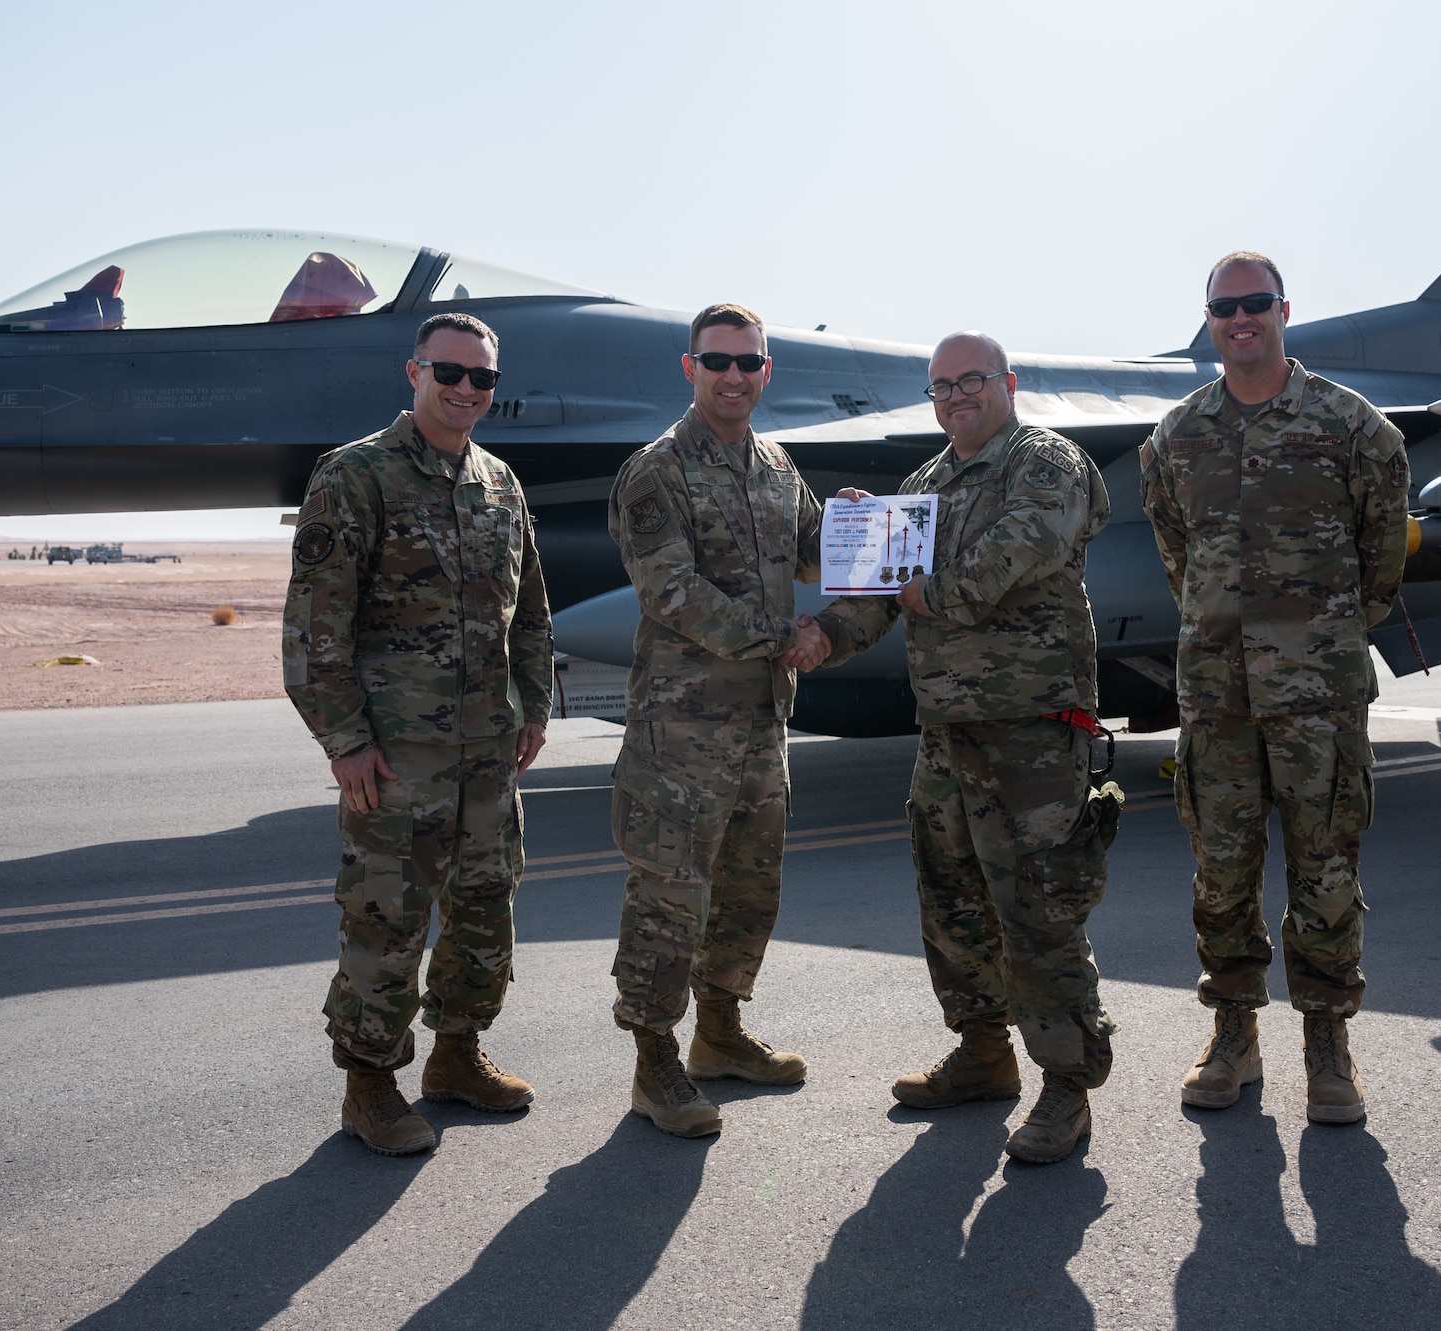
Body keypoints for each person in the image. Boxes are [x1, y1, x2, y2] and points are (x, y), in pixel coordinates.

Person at [816, 331, 1116, 1165]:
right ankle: (985, 1052)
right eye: (941, 386)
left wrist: (929, 588)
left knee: (1039, 907)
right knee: (951, 903)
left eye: (972, 380)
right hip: (947, 731)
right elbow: (877, 600)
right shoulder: (922, 485)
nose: (956, 397)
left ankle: (1066, 1084)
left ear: (1007, 383)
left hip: (1033, 729)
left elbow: (1012, 555)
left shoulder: (1044, 461)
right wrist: (819, 636)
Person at [1139, 252, 1409, 1124]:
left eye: (1256, 304)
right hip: (1216, 696)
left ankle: (1328, 1045)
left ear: (1285, 309)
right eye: (1225, 307)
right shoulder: (1176, 437)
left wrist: (1316, 637)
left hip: (1319, 696)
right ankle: (1233, 1035)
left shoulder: (1353, 427)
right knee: (1220, 872)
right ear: (1209, 319)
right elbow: (1178, 553)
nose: (1241, 318)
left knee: (1326, 869)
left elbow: (1381, 561)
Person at [283, 311, 552, 1156]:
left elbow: (531, 611)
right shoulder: (355, 476)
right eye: (451, 372)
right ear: (414, 372)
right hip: (397, 759)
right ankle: (370, 1086)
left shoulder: (501, 485)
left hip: (488, 753)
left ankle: (458, 1058)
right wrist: (345, 740)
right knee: (386, 922)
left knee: (483, 913)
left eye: (483, 378)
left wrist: (535, 705)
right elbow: (314, 630)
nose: (467, 388)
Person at [605, 303, 831, 1139]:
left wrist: (855, 524)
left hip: (762, 724)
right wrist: (785, 636)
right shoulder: (656, 471)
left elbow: (813, 552)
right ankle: (654, 1060)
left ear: (767, 371)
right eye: (718, 361)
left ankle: (722, 1032)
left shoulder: (775, 466)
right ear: (689, 367)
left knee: (747, 889)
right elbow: (671, 591)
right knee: (671, 894)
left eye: (749, 362)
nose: (733, 375)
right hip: (683, 731)